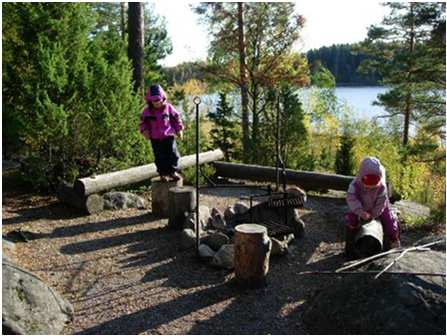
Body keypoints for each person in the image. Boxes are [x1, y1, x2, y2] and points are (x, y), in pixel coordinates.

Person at [345, 156, 400, 255]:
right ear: (361, 177)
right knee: (351, 219)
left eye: (373, 185)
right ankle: (350, 241)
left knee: (389, 221)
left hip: (378, 207)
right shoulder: (354, 185)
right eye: (367, 185)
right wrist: (360, 212)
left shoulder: (381, 188)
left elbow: (381, 203)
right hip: (361, 207)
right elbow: (351, 199)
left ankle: (394, 240)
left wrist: (373, 214)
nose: (370, 188)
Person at [140, 84, 184, 182]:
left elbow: (176, 119)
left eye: (158, 100)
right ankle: (163, 174)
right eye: (153, 101)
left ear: (162, 98)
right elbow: (143, 123)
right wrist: (145, 131)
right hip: (155, 138)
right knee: (159, 157)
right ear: (150, 101)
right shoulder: (147, 111)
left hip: (168, 135)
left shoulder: (168, 108)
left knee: (173, 154)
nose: (156, 103)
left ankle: (173, 172)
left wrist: (179, 130)